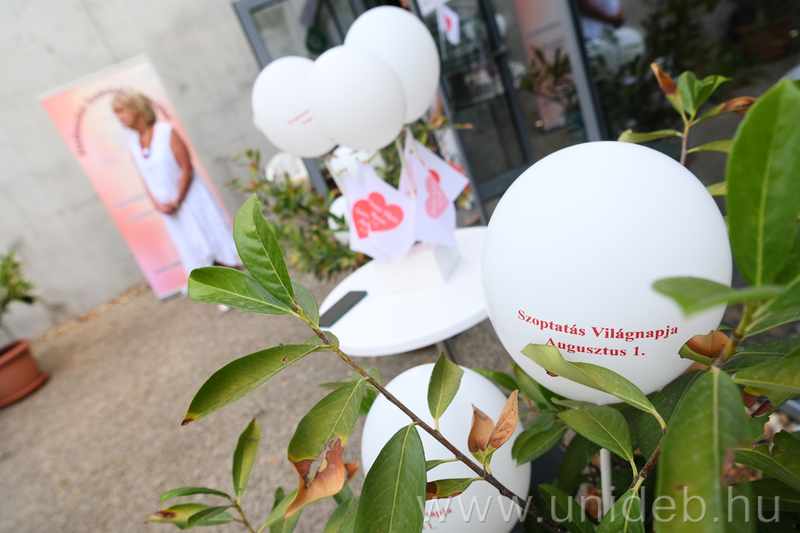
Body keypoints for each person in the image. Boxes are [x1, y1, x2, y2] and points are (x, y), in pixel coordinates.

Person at [112, 90, 240, 308]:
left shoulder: (166, 132)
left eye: (121, 111)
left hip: (192, 201)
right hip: (170, 211)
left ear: (136, 108)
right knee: (194, 248)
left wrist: (177, 200)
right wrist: (157, 204)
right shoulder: (133, 145)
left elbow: (186, 168)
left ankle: (240, 290)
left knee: (212, 240)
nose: (119, 117)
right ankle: (223, 293)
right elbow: (145, 179)